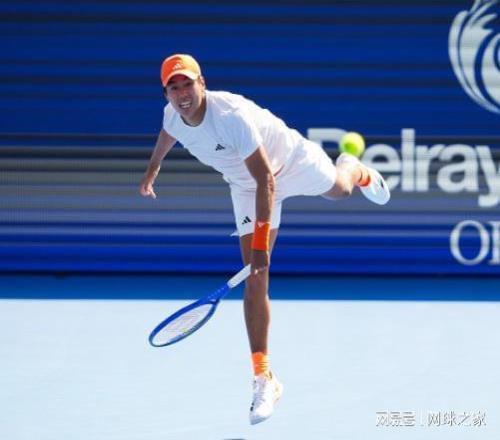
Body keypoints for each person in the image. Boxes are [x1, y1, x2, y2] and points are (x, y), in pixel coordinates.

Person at [139, 54, 390, 425]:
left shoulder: (231, 116)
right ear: (166, 94)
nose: (181, 93)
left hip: (289, 164)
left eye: (187, 83)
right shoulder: (172, 115)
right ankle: (264, 378)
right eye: (173, 87)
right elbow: (167, 136)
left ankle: (354, 168)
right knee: (255, 278)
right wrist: (151, 172)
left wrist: (260, 246)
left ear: (202, 82)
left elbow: (267, 180)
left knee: (340, 190)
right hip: (245, 185)